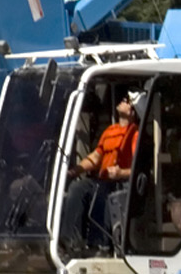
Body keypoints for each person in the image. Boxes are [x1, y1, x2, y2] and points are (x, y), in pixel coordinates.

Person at [59, 94, 140, 258]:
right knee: (77, 187)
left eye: (126, 101)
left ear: (132, 111)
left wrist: (120, 173)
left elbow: (138, 169)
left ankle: (100, 244)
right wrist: (75, 171)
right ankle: (69, 240)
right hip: (101, 179)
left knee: (102, 192)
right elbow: (96, 157)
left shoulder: (135, 134)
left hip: (120, 183)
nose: (122, 100)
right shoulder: (110, 131)